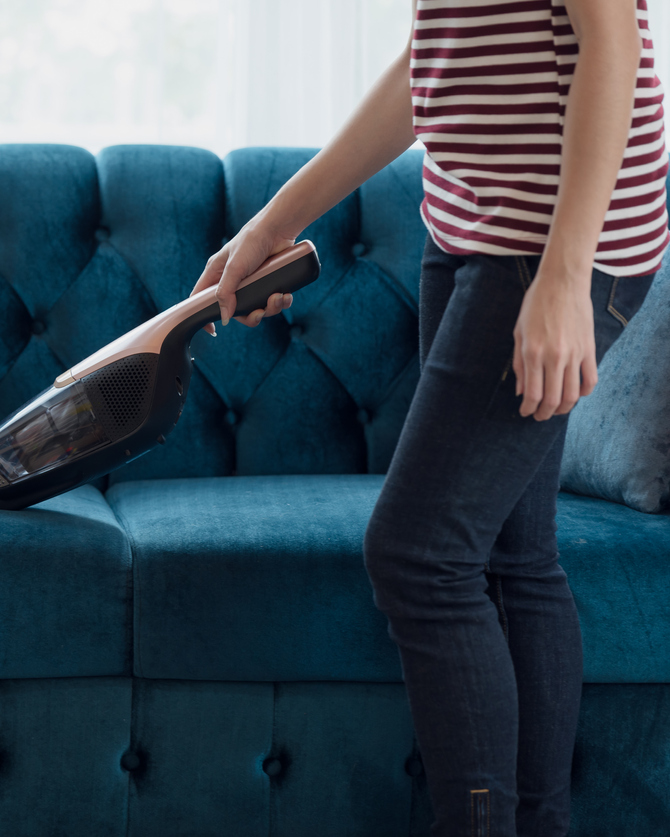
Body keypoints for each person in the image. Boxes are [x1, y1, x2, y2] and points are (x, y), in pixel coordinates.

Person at [189, 1, 666, 834]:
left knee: (417, 555)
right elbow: (434, 55)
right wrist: (275, 221)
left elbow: (611, 40)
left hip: (546, 243)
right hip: (470, 227)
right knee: (513, 558)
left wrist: (564, 274)